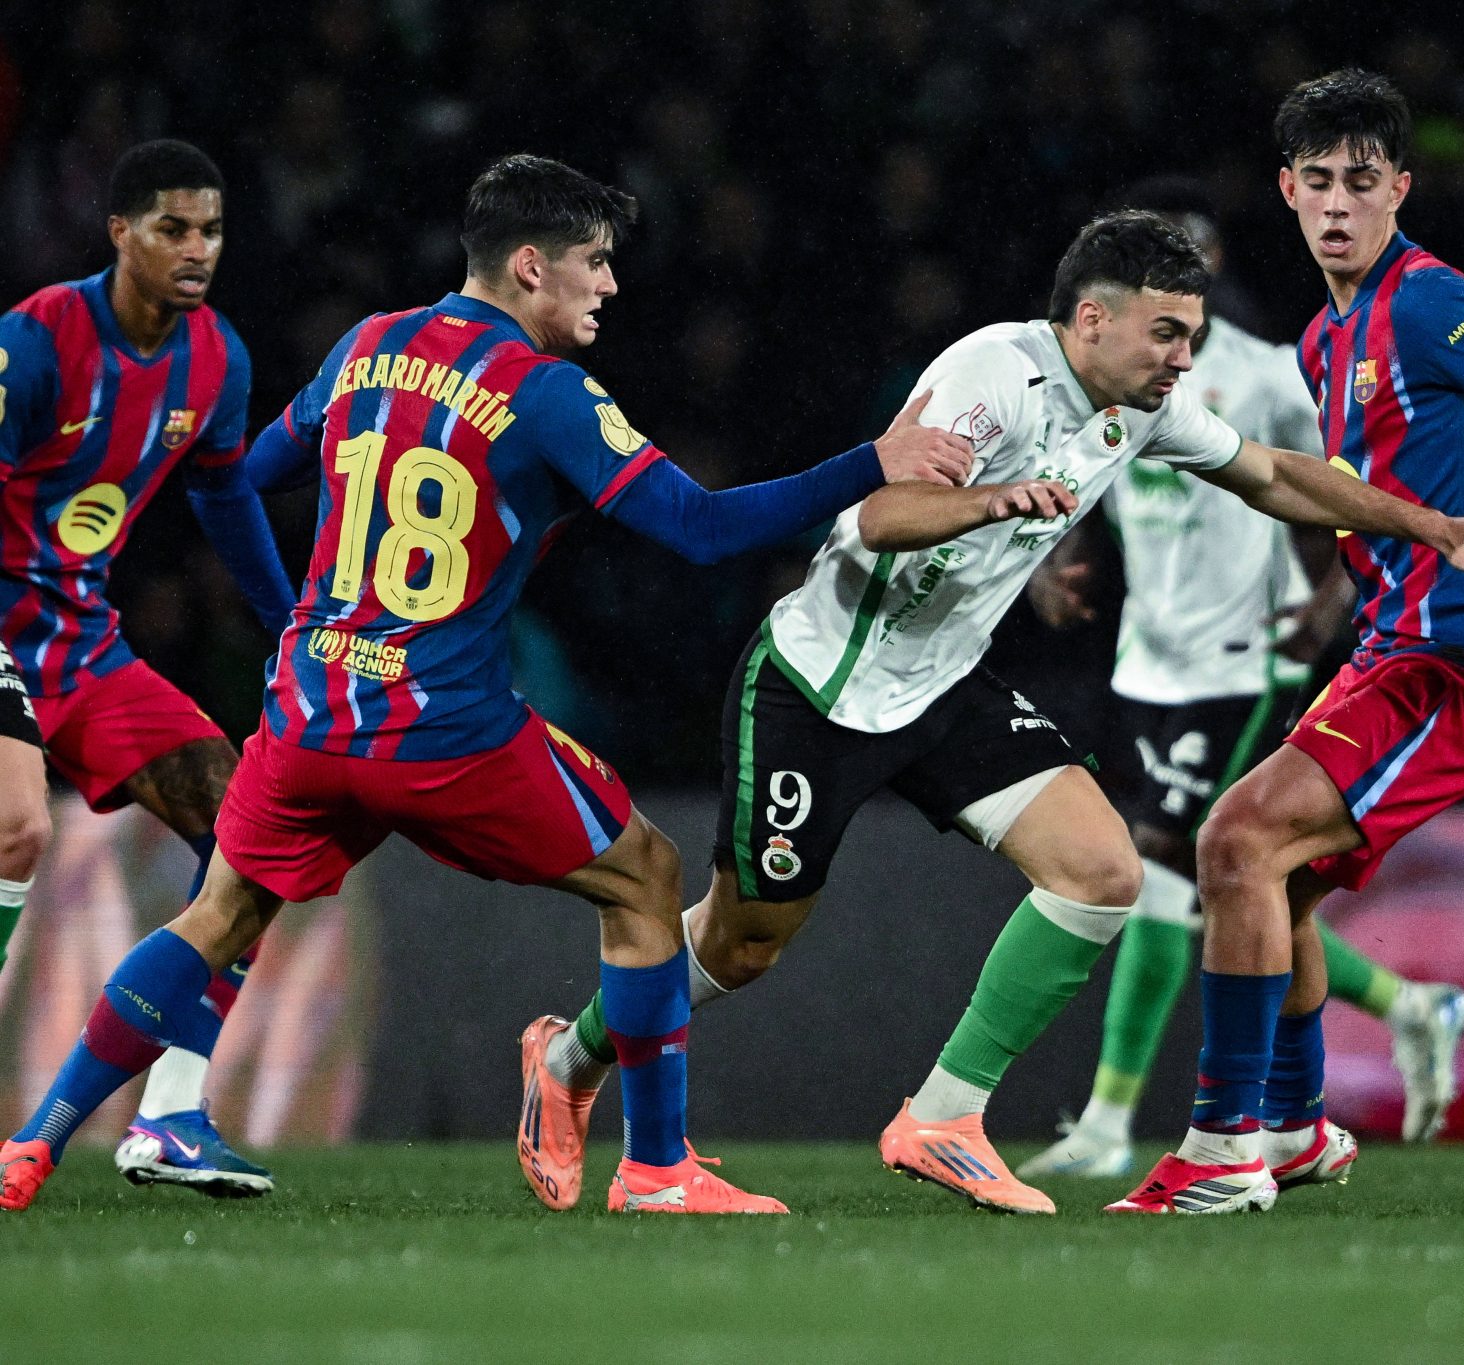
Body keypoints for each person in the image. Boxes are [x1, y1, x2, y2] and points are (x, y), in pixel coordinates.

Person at [523, 209, 1464, 1216]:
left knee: (1102, 873)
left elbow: (1275, 476)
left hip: (946, 686)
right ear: (1092, 319)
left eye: (1190, 337)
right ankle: (567, 1057)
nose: (1179, 360)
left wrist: (1430, 525)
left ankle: (944, 1117)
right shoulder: (993, 376)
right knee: (743, 946)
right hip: (818, 689)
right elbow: (881, 512)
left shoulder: (1144, 403)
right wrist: (990, 498)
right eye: (1164, 333)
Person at [0, 153, 974, 1216]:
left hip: (310, 713)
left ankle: (35, 1144)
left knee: (220, 914)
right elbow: (700, 531)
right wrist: (871, 462)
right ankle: (656, 1170)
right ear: (526, 267)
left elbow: (256, 469)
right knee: (643, 875)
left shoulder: (365, 344)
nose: (608, 286)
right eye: (592, 263)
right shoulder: (548, 394)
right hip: (439, 729)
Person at [1109, 70, 1464, 1215]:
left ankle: (1222, 1144)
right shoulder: (1318, 339)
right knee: (1266, 879)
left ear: (1399, 187)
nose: (1338, 203)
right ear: (1286, 192)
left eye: (1361, 181)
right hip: (1387, 650)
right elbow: (1354, 499)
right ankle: (1288, 1130)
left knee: (1234, 841)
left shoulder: (1432, 305)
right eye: (1317, 182)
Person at [1018, 179, 1464, 1180]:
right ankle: (1412, 1005)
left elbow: (1320, 481)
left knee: (1163, 870)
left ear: (1212, 262)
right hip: (1147, 657)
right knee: (1226, 884)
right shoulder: (1117, 377)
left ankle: (1108, 1122)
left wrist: (1333, 596)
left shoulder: (1268, 373)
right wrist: (1054, 560)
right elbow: (1080, 473)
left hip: (1251, 657)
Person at [0, 140, 298, 1196]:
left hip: (82, 648)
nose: (196, 249)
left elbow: (225, 499)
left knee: (251, 840)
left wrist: (293, 623)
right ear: (118, 232)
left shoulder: (216, 360)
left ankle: (170, 1118)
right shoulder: (35, 344)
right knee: (19, 825)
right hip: (1, 633)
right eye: (173, 228)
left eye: (210, 230)